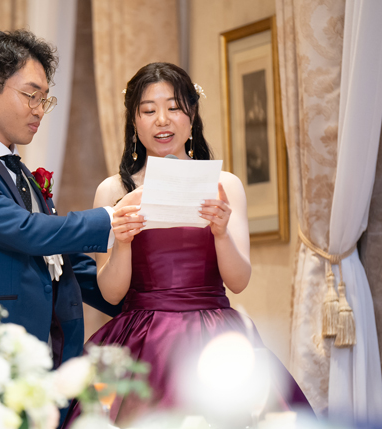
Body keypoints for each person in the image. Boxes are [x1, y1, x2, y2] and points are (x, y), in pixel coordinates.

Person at [63, 62, 312, 426]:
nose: (162, 120)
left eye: (174, 108)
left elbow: (239, 281)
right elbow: (111, 293)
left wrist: (221, 233)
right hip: (140, 338)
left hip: (215, 333)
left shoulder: (225, 184)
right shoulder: (114, 190)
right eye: (149, 111)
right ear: (134, 121)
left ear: (192, 115)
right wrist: (124, 241)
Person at [0, 30, 144, 372]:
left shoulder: (21, 172)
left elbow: (63, 260)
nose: (39, 110)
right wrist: (110, 219)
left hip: (51, 356)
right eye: (31, 95)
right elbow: (26, 231)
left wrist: (148, 302)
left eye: (44, 100)